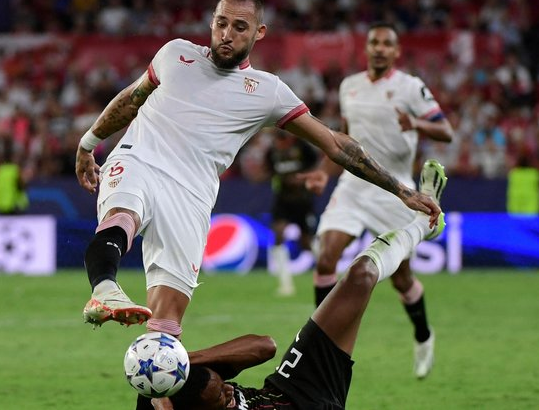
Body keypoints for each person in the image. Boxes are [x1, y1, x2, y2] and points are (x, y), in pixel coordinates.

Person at [75, 0, 441, 341]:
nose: (226, 34)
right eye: (221, 23)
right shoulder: (175, 54)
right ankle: (104, 288)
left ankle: (160, 372)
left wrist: (402, 191)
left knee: (166, 326)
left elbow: (336, 144)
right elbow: (132, 99)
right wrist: (88, 144)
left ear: (259, 32)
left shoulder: (268, 92)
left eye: (239, 27)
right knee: (124, 214)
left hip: (192, 195)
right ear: (212, 21)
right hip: (140, 159)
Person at [138, 160, 447, 410]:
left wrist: (180, 364)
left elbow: (265, 347)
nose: (229, 392)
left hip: (294, 387)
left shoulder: (169, 387)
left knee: (361, 274)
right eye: (221, 399)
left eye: (225, 385)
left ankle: (423, 225)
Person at [300, 22, 453, 379]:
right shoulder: (349, 86)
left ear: (396, 52)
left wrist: (416, 123)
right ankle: (320, 348)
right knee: (326, 258)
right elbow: (343, 140)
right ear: (366, 48)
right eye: (374, 43)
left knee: (402, 279)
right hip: (353, 186)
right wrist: (323, 172)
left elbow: (445, 131)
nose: (380, 48)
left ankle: (423, 336)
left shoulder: (411, 87)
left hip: (397, 192)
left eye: (387, 44)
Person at [265, 129, 319, 296]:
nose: (279, 145)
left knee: (306, 242)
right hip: (283, 200)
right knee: (278, 235)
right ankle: (285, 285)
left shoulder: (303, 147)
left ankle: (329, 274)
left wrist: (303, 179)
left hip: (303, 200)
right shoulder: (272, 152)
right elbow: (270, 172)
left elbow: (316, 164)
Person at [0, 138, 29, 215]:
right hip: (12, 205)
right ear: (12, 158)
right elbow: (21, 185)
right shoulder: (15, 170)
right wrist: (26, 182)